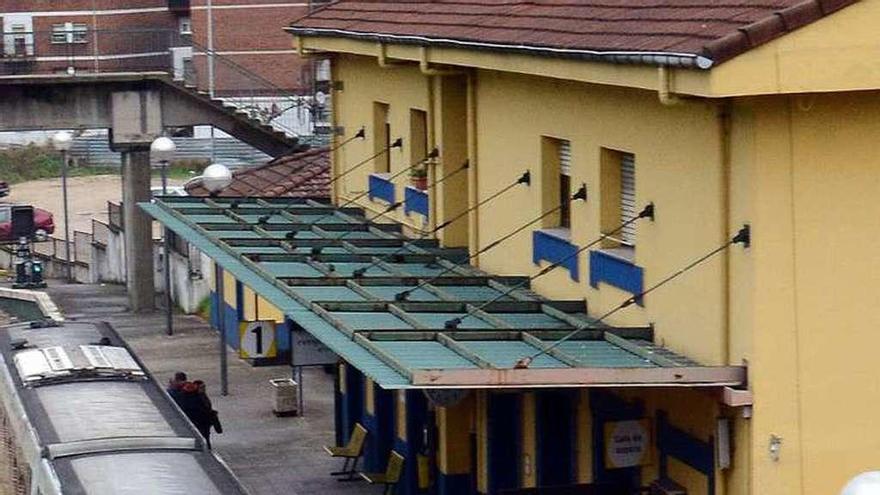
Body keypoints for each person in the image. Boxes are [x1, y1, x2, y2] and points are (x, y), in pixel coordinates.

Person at [193, 380, 223, 448]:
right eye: (202, 387)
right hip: (200, 421)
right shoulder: (195, 397)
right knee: (204, 435)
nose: (204, 389)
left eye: (204, 387)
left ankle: (207, 446)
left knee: (206, 435)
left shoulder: (203, 395)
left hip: (206, 421)